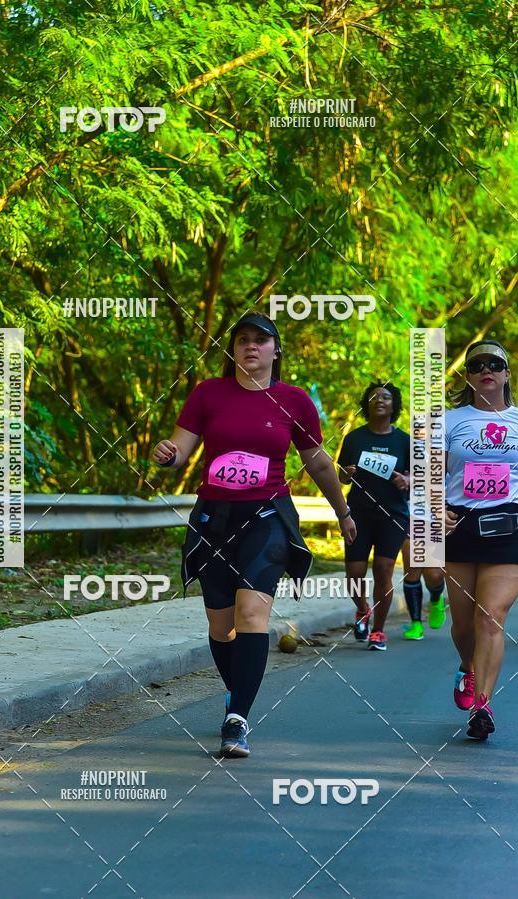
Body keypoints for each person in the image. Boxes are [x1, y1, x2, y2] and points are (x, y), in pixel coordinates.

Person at [152, 311, 356, 757]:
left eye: (260, 341)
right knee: (221, 626)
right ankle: (237, 692)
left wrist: (342, 512)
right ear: (234, 349)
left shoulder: (294, 400)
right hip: (214, 516)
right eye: (242, 339)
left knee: (251, 616)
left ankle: (237, 719)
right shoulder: (208, 394)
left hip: (267, 517)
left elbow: (318, 462)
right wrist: (166, 455)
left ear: (275, 350)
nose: (251, 346)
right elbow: (179, 451)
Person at [445, 339, 518, 740]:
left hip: (510, 526)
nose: (485, 370)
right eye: (476, 366)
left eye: (494, 363)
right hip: (460, 526)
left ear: (507, 374)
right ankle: (468, 667)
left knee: (491, 616)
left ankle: (482, 705)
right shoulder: (448, 421)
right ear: (469, 377)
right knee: (463, 625)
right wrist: (435, 510)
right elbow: (425, 477)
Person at [337, 382, 410, 650]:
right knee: (354, 572)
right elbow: (340, 477)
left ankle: (378, 630)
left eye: (386, 397)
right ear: (366, 404)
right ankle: (362, 609)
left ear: (394, 405)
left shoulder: (404, 440)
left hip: (393, 514)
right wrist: (345, 474)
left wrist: (407, 479)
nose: (379, 400)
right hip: (359, 514)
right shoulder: (355, 438)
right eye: (374, 396)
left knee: (383, 569)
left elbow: (419, 475)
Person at [400, 539, 446, 640]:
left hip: (436, 526)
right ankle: (416, 624)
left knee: (434, 577)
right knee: (412, 571)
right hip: (411, 525)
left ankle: (436, 599)